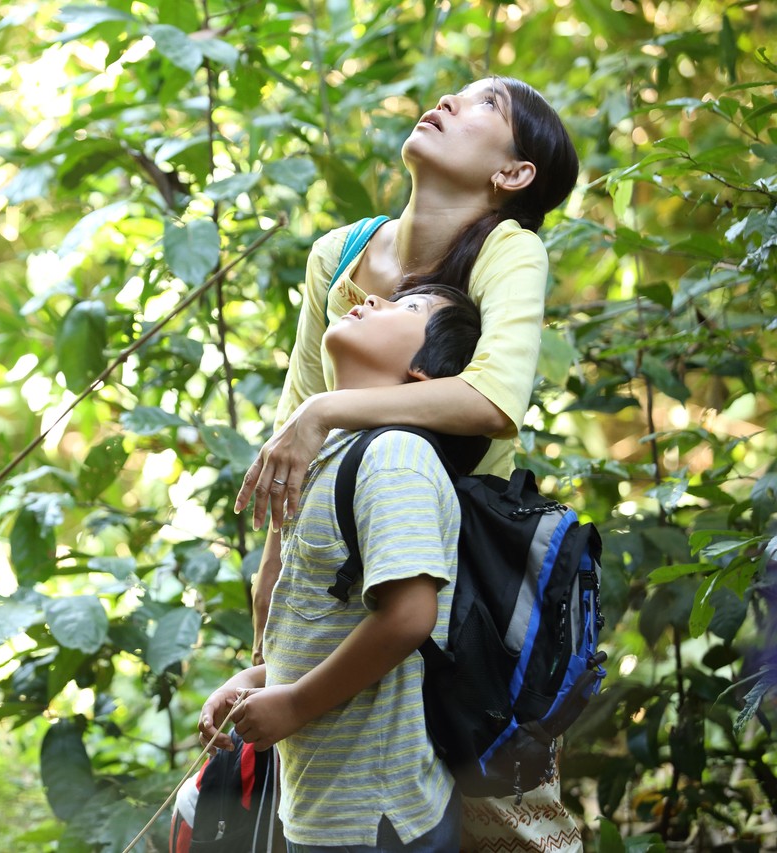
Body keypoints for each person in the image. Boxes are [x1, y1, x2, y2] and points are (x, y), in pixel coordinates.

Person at [239, 76, 582, 852]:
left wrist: (325, 412)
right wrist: (270, 608)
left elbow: (493, 398)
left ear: (514, 173)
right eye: (454, 93)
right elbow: (295, 430)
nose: (450, 101)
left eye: (484, 105)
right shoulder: (341, 254)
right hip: (334, 543)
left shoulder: (507, 247)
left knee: (496, 809)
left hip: (448, 558)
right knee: (334, 776)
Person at [199, 284, 483, 851]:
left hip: (378, 813)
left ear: (424, 375)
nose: (374, 299)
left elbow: (408, 617)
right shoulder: (334, 454)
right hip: (331, 806)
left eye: (409, 308)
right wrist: (257, 681)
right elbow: (333, 621)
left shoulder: (394, 458)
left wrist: (297, 703)